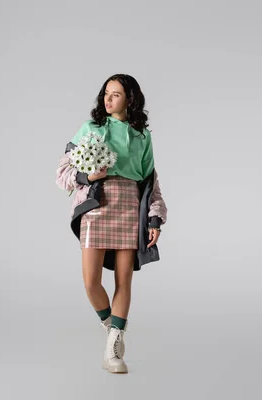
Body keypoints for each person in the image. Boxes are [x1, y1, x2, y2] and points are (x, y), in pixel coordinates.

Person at [55, 73, 168, 374]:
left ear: (129, 99)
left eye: (115, 94)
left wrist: (155, 218)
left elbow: (150, 182)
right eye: (106, 93)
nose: (107, 99)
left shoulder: (142, 136)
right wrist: (87, 177)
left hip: (130, 206)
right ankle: (111, 326)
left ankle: (114, 348)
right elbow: (63, 171)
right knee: (91, 282)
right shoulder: (90, 128)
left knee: (123, 280)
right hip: (97, 204)